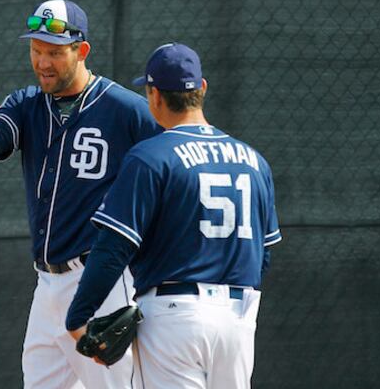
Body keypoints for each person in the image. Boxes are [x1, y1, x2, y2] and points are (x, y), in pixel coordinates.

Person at [0, 0, 161, 388]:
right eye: (36, 50)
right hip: (46, 285)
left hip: (99, 281)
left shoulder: (124, 109)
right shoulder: (26, 104)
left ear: (81, 50)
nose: (42, 62)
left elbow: (171, 164)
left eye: (53, 52)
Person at [65, 43, 282, 388]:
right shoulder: (255, 161)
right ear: (202, 89)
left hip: (174, 318)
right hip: (239, 318)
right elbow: (264, 254)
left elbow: (113, 247)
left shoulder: (150, 157)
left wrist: (79, 316)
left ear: (153, 95)